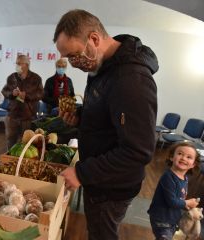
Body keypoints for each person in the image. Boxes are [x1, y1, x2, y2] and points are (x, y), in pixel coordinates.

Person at [53, 9, 159, 239]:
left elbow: (137, 151)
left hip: (112, 187)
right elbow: (109, 113)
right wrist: (81, 116)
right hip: (101, 178)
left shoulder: (132, 80)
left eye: (73, 55)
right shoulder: (101, 66)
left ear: (93, 39)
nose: (72, 63)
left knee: (102, 233)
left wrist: (82, 173)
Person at [148, 142, 200, 240]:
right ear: (172, 157)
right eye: (180, 154)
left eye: (189, 157)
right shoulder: (168, 177)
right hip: (162, 219)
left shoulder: (185, 178)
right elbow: (172, 201)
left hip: (172, 219)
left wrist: (188, 205)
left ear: (193, 164)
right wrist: (186, 202)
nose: (184, 158)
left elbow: (179, 198)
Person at [1, 54, 43, 149]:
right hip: (12, 115)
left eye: (19, 63)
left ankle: (24, 163)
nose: (17, 65)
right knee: (10, 141)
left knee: (27, 144)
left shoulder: (36, 78)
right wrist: (12, 93)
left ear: (27, 65)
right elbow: (4, 91)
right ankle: (10, 160)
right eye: (16, 63)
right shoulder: (12, 77)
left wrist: (27, 96)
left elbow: (40, 94)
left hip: (28, 116)